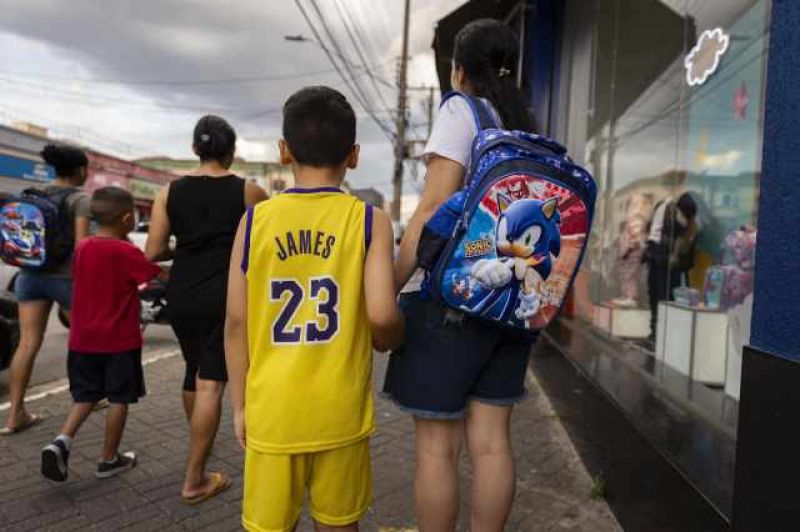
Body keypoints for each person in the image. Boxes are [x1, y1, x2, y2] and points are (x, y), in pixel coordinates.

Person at [383, 19, 540, 531]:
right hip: (513, 305)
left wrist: (389, 283)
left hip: (455, 303)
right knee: (493, 444)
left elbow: (430, 210)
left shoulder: (462, 109)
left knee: (437, 449)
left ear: (458, 70)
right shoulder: (527, 126)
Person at [225, 86, 404, 532]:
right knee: (339, 524)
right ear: (355, 155)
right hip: (340, 411)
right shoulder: (369, 220)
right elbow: (382, 315)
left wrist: (240, 405)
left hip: (272, 410)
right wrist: (390, 339)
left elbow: (234, 323)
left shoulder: (254, 222)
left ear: (284, 151)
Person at [145, 115, 267, 503]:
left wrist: (188, 250)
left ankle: (201, 439)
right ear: (230, 152)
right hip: (225, 295)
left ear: (195, 149)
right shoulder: (249, 191)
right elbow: (266, 246)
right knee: (211, 382)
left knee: (193, 370)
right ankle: (195, 479)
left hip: (181, 292)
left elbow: (153, 252)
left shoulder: (169, 192)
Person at [40, 187, 163, 481]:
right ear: (126, 219)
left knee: (86, 395)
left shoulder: (83, 248)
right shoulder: (126, 251)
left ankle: (61, 441)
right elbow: (155, 274)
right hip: (119, 341)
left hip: (82, 340)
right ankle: (109, 459)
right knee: (120, 398)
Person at [2, 144, 91, 435]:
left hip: (29, 275)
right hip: (65, 279)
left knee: (27, 343)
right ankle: (87, 398)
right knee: (82, 340)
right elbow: (81, 247)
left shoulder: (34, 195)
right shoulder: (81, 199)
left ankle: (15, 414)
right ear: (79, 170)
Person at [645, 192, 698, 342]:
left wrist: (674, 256)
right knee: (657, 295)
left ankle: (660, 333)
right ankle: (657, 332)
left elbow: (681, 238)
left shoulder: (674, 210)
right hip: (659, 259)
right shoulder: (665, 207)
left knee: (662, 296)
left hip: (666, 262)